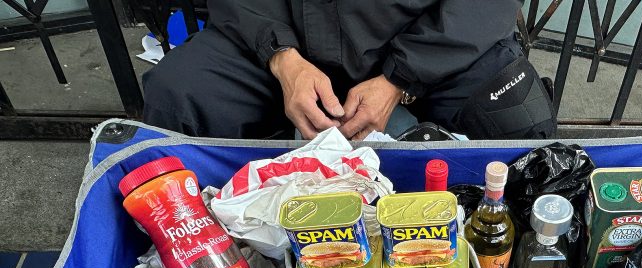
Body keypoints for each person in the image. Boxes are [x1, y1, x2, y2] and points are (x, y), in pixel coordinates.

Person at [142, 0, 556, 140]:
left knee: (516, 120)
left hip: (427, 43)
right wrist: (283, 58)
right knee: (178, 94)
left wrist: (399, 78)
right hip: (283, 38)